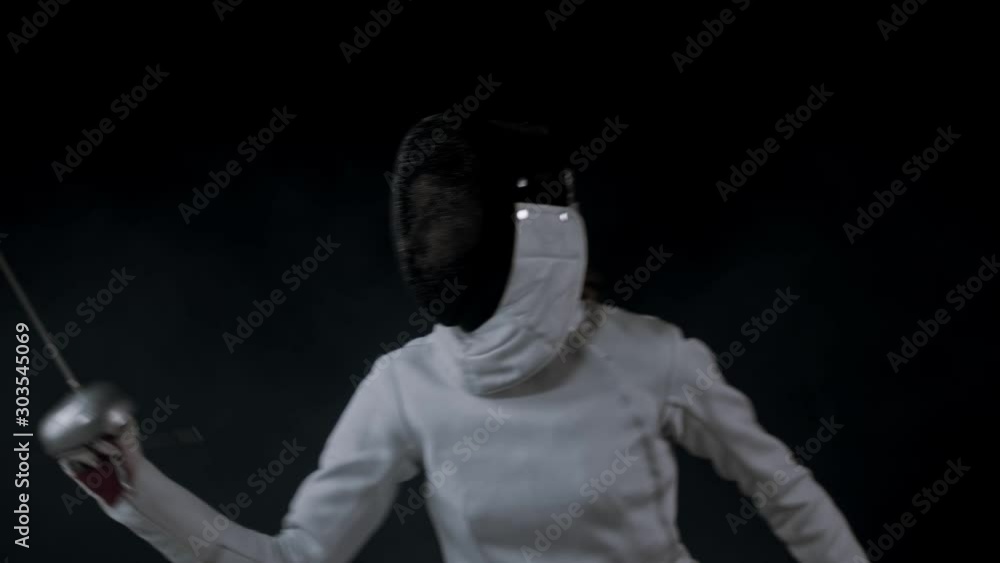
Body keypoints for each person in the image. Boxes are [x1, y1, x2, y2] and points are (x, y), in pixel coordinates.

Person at [57, 115, 866, 562]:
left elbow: (785, 491)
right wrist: (136, 491)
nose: (440, 239)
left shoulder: (655, 357)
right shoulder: (409, 382)